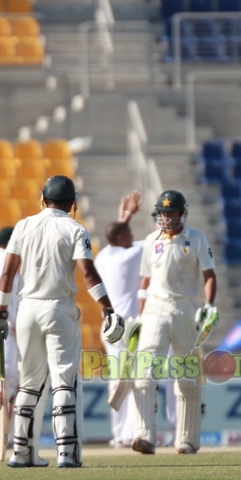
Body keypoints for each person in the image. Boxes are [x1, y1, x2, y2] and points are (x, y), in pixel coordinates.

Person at [0, 175, 124, 468]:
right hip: (59, 309)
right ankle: (67, 453)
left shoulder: (23, 225)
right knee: (64, 382)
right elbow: (88, 274)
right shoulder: (75, 228)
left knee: (29, 383)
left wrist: (0, 311)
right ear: (72, 203)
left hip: (26, 310)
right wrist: (108, 309)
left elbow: (7, 275)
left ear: (42, 198)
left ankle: (21, 453)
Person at [130, 190, 217, 455]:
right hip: (155, 309)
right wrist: (140, 315)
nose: (167, 217)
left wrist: (209, 306)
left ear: (182, 213)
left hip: (186, 308)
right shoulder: (150, 241)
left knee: (188, 377)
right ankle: (144, 436)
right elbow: (145, 281)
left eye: (172, 212)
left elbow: (210, 275)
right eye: (163, 213)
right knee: (144, 370)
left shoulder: (197, 238)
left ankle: (187, 440)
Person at [0, 226, 48, 466]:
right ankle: (0, 433)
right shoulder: (6, 267)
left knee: (8, 380)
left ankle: (4, 433)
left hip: (5, 328)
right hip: (7, 330)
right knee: (7, 379)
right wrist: (12, 323)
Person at [94, 191, 143, 448]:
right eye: (130, 236)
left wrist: (126, 216)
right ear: (123, 239)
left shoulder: (104, 256)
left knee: (118, 377)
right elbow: (157, 241)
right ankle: (129, 434)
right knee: (133, 379)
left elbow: (119, 233)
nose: (134, 239)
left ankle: (119, 433)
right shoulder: (129, 256)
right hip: (127, 327)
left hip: (109, 325)